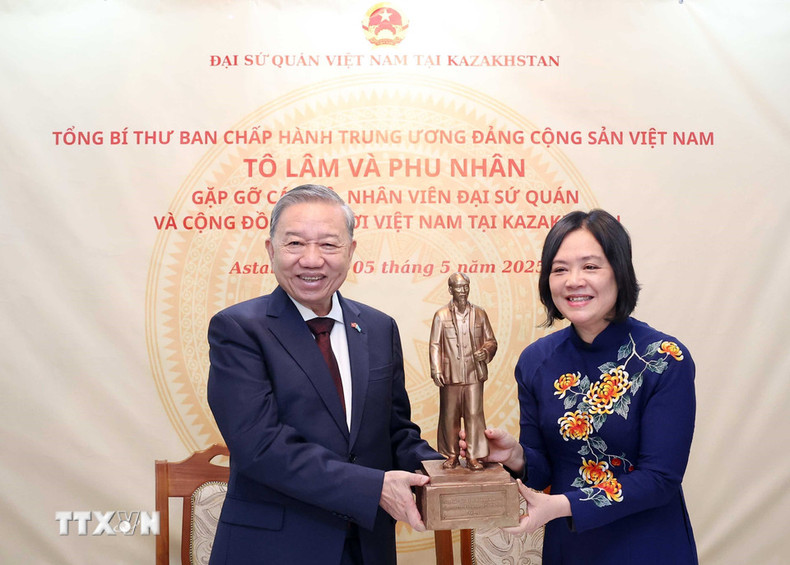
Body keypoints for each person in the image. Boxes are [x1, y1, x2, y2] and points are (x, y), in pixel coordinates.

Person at [207, 184, 440, 565]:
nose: (311, 260)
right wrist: (373, 487)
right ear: (271, 250)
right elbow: (260, 447)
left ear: (350, 251)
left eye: (329, 245)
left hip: (368, 547)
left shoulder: (379, 328)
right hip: (275, 550)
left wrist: (445, 469)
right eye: (295, 244)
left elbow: (394, 432)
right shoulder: (238, 329)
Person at [463, 209, 698, 564]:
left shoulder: (665, 358)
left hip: (647, 544)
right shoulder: (536, 361)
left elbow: (660, 479)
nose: (573, 281)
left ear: (619, 273)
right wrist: (515, 455)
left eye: (590, 266)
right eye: (560, 269)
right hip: (569, 546)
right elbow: (545, 469)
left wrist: (562, 504)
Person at [429, 272, 497, 471]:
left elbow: (491, 340)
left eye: (466, 287)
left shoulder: (480, 314)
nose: (463, 291)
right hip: (450, 375)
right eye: (459, 287)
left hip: (474, 374)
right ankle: (451, 455)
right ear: (451, 290)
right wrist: (436, 369)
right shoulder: (441, 316)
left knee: (474, 415)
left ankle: (474, 456)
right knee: (449, 416)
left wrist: (485, 351)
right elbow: (435, 345)